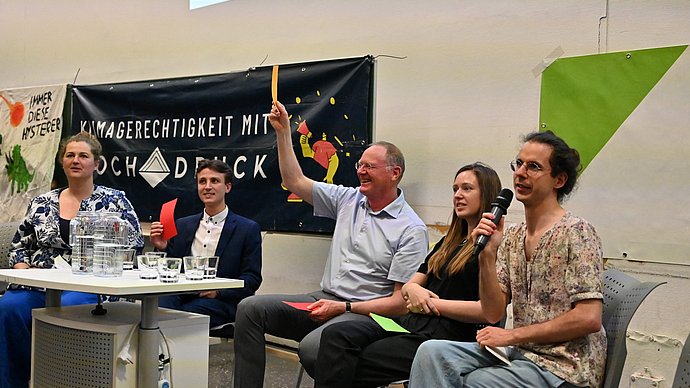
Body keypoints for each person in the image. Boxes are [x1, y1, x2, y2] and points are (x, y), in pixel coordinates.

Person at [232, 101, 429, 388]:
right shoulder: (348, 199)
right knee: (250, 309)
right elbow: (294, 180)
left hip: (367, 313)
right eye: (359, 164)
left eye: (369, 166)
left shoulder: (411, 229)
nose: (360, 170)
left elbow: (400, 304)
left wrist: (345, 308)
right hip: (323, 298)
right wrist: (283, 132)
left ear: (394, 173)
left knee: (314, 348)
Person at [409, 130, 606, 388]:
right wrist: (487, 255)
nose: (520, 173)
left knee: (477, 382)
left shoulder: (576, 232)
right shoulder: (512, 235)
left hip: (565, 366)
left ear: (559, 180)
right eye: (519, 164)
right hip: (522, 355)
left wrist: (511, 335)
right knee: (431, 352)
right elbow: (493, 311)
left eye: (533, 167)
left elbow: (588, 318)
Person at [312, 162, 502, 387]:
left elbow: (488, 312)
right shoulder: (449, 242)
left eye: (467, 189)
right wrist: (413, 291)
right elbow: (412, 284)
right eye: (455, 189)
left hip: (447, 336)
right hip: (411, 322)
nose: (458, 195)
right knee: (337, 335)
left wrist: (432, 304)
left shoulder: (493, 247)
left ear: (488, 195)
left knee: (349, 361)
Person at [1, 131, 145, 388]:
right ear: (62, 162)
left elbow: (134, 244)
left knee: (70, 308)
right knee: (9, 308)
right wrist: (22, 267)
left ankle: (59, 380)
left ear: (96, 164)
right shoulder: (41, 202)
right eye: (70, 155)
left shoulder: (115, 200)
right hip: (40, 281)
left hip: (90, 284)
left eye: (83, 155)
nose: (76, 160)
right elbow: (19, 245)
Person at [149, 158, 262, 328]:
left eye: (214, 181)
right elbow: (171, 266)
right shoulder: (183, 225)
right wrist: (162, 247)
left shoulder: (247, 229)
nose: (207, 186)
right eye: (202, 181)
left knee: (179, 316)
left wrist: (218, 292)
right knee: (155, 305)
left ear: (227, 187)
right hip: (181, 294)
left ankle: (166, 353)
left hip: (220, 301)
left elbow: (252, 278)